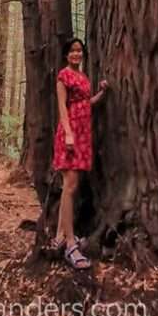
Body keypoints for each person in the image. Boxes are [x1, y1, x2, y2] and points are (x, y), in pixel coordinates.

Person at [50, 37, 108, 269]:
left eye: (79, 51)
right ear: (66, 55)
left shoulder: (83, 78)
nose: (76, 54)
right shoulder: (63, 76)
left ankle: (59, 238)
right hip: (70, 132)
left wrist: (102, 93)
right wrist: (69, 133)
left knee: (72, 185)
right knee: (70, 185)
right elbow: (63, 107)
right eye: (72, 51)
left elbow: (86, 103)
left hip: (84, 134)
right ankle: (71, 244)